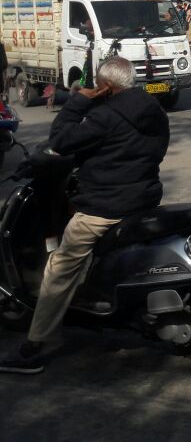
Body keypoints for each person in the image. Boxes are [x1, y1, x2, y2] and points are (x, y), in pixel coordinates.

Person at [0, 57, 170, 375]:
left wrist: (77, 102)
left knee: (59, 268)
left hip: (104, 209)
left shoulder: (105, 116)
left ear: (105, 86)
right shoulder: (153, 110)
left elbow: (60, 141)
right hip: (144, 200)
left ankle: (36, 345)